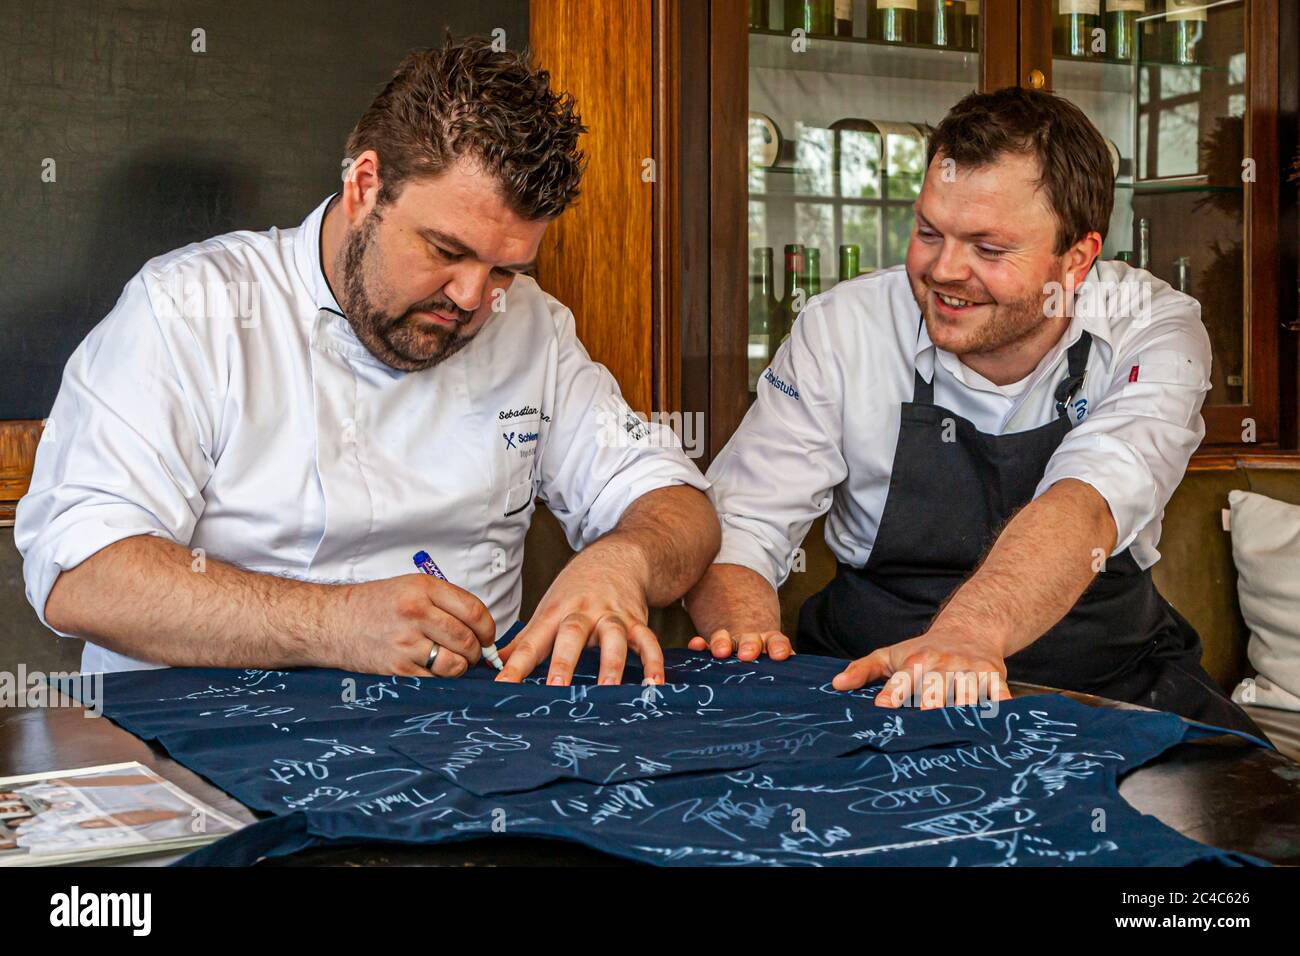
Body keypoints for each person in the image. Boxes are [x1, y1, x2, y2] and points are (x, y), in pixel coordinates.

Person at [16, 37, 719, 687]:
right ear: (364, 188)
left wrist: (624, 558)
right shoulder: (190, 309)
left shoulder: (531, 327)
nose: (473, 297)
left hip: (463, 742)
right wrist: (332, 623)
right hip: (205, 738)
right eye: (446, 252)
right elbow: (82, 572)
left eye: (504, 268)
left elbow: (677, 505)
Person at [685, 87, 1260, 736]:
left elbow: (1088, 501)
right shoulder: (842, 329)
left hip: (1111, 696)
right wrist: (748, 639)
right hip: (873, 692)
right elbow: (744, 522)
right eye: (929, 232)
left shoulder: (1149, 328)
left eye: (989, 249)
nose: (944, 271)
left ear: (1077, 259)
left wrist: (964, 637)